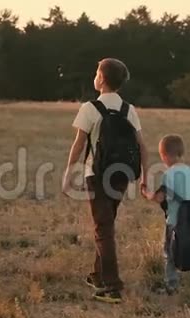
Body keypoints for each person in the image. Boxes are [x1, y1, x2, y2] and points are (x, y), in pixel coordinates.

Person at [63, 58, 148, 304]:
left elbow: (79, 145)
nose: (95, 76)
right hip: (121, 175)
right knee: (106, 223)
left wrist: (68, 172)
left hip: (97, 175)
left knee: (103, 228)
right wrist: (145, 175)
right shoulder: (128, 109)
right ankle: (98, 275)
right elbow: (142, 146)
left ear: (101, 79)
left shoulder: (89, 108)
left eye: (96, 72)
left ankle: (112, 287)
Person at [141, 134, 190, 294]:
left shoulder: (169, 175)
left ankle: (171, 285)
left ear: (165, 156)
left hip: (175, 222)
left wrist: (147, 193)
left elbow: (159, 197)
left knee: (170, 253)